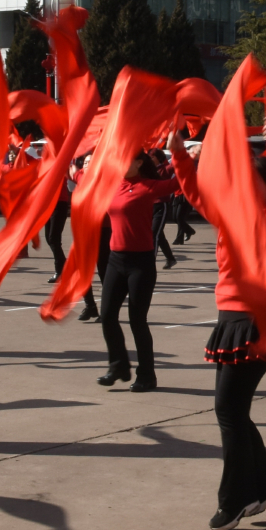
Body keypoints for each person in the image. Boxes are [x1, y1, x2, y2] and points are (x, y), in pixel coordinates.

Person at [168, 118, 266, 530]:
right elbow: (193, 191)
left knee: (228, 410)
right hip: (230, 320)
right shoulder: (229, 217)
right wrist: (176, 151)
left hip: (256, 321)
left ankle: (238, 498)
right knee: (234, 411)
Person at [97, 151, 177, 391]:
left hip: (140, 264)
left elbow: (181, 182)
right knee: (108, 316)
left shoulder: (148, 186)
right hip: (115, 260)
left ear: (139, 163)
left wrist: (182, 155)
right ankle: (119, 365)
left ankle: (146, 375)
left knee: (136, 321)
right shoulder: (112, 185)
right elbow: (85, 178)